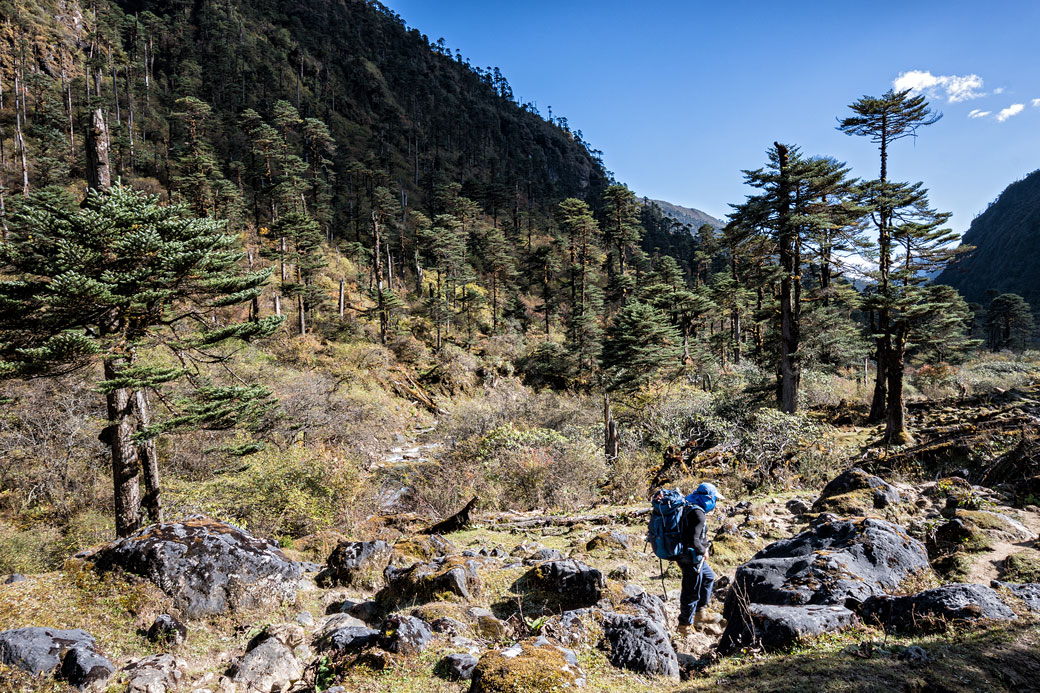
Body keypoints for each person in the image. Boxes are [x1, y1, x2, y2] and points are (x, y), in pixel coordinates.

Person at [676, 482, 723, 634]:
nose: (715, 503)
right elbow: (693, 540)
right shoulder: (698, 514)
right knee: (691, 591)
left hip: (688, 555)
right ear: (709, 498)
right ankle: (684, 626)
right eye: (715, 499)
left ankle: (700, 614)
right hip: (690, 557)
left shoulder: (689, 505)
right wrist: (704, 551)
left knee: (708, 577)